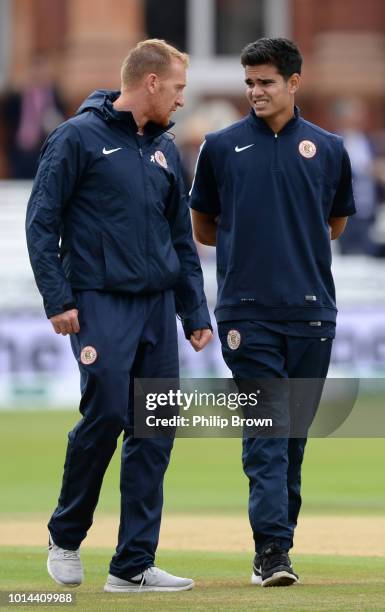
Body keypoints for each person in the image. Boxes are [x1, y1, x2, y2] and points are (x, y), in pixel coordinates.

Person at [26, 39, 212, 594]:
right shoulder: (75, 137)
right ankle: (65, 534)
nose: (182, 100)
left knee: (154, 431)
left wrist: (193, 311)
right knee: (106, 411)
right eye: (178, 88)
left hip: (157, 307)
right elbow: (41, 223)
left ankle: (132, 565)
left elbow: (181, 238)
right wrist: (58, 299)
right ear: (151, 82)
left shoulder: (164, 150)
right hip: (99, 300)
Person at [189, 38, 355, 587]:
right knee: (268, 431)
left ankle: (279, 544)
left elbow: (334, 225)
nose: (255, 92)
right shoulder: (220, 147)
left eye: (265, 82)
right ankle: (272, 553)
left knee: (293, 438)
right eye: (249, 82)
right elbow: (203, 227)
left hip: (312, 315)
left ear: (294, 82)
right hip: (246, 315)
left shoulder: (329, 148)